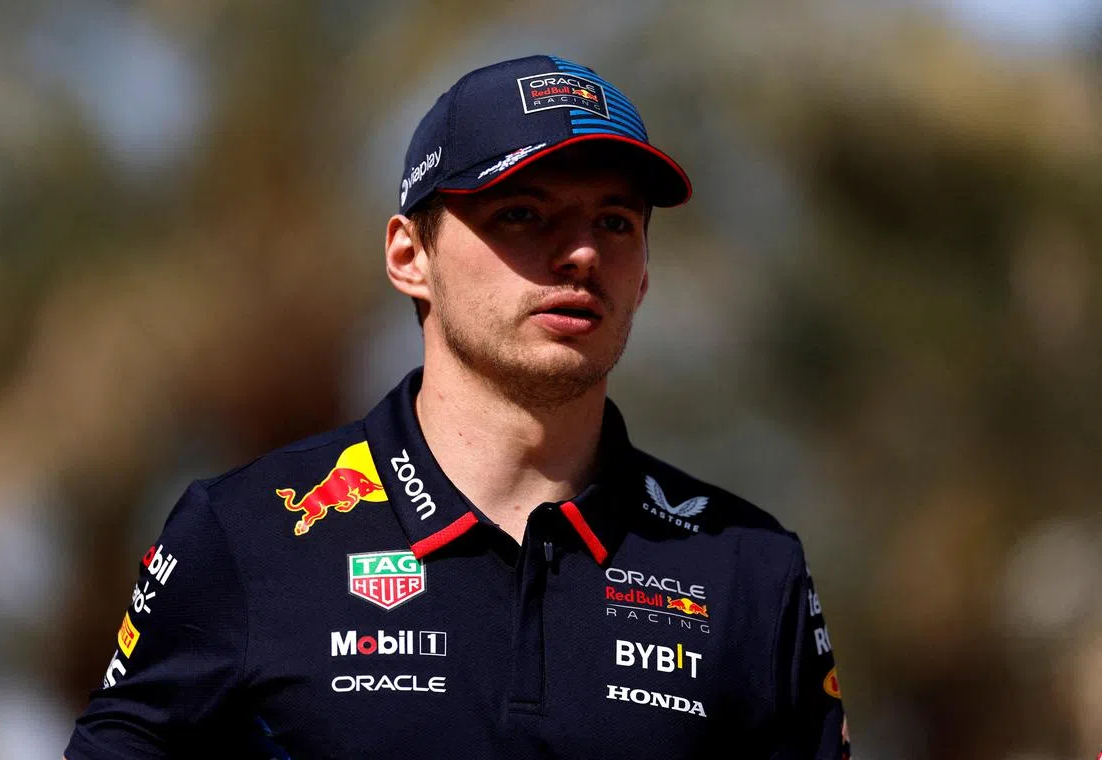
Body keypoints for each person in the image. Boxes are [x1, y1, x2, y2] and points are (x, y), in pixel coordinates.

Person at [64, 54, 849, 760]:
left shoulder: (749, 567)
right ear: (411, 257)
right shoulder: (245, 534)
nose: (580, 253)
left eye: (614, 222)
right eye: (522, 213)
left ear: (642, 274)